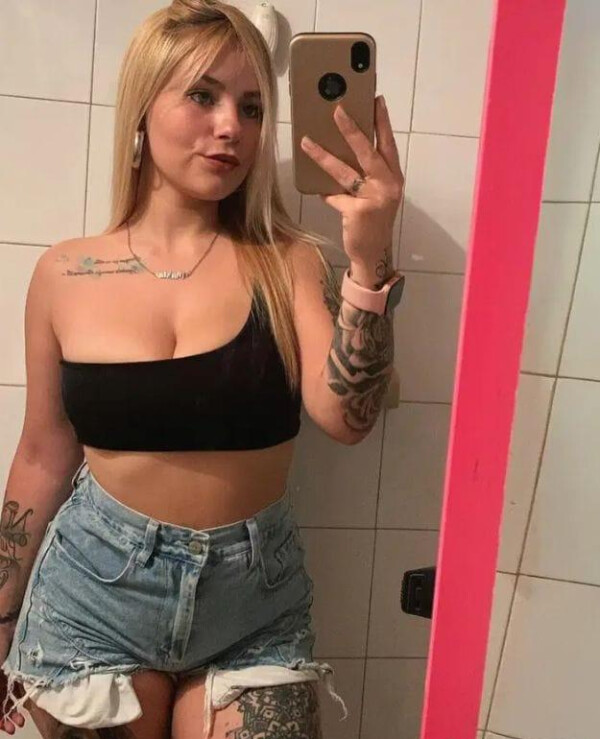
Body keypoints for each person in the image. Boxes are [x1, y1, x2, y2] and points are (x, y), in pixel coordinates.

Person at [0, 0, 404, 736]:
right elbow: (42, 453)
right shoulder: (66, 273)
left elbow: (349, 418)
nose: (231, 127)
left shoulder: (289, 262)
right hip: (91, 596)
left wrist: (370, 258)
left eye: (251, 107)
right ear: (141, 108)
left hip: (254, 606)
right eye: (202, 96)